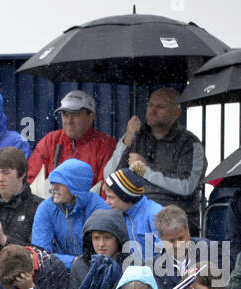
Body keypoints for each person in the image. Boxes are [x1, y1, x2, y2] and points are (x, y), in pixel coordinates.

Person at [107, 87, 207, 230]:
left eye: (160, 107)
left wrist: (145, 169)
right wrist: (127, 140)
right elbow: (110, 176)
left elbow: (187, 186)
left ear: (176, 113)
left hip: (174, 217)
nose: (152, 110)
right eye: (151, 105)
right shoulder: (136, 136)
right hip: (134, 213)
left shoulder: (189, 143)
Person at [28, 90, 116, 193]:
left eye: (76, 114)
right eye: (65, 114)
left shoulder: (106, 145)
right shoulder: (50, 141)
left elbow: (106, 193)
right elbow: (32, 181)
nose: (69, 121)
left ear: (91, 116)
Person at [30, 158, 110, 268]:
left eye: (60, 183)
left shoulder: (99, 209)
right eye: (53, 182)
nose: (54, 187)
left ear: (76, 185)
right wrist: (73, 262)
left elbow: (104, 256)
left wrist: (80, 264)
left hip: (92, 271)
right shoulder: (46, 208)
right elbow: (39, 255)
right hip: (58, 271)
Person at [102, 168, 163, 259]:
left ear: (125, 197)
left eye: (111, 197)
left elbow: (167, 252)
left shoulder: (155, 214)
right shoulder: (121, 214)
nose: (106, 202)